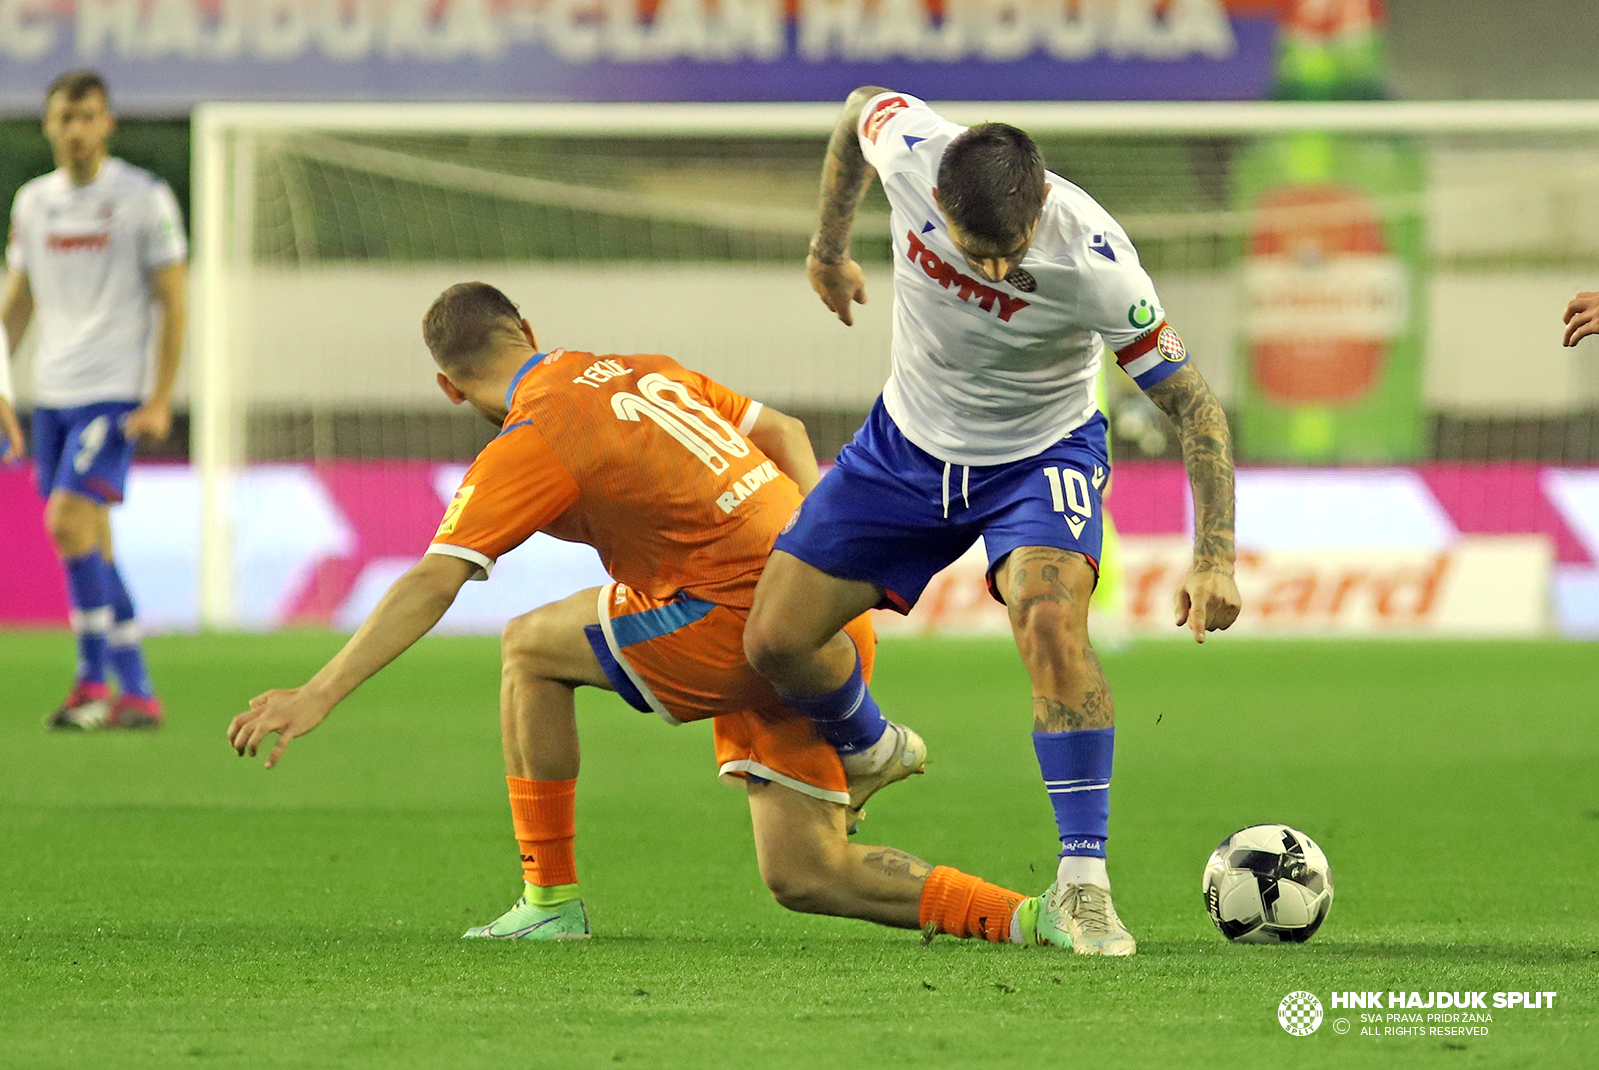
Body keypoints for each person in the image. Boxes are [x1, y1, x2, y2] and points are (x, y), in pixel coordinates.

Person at [227, 282, 1061, 946]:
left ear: (448, 387)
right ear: (526, 325)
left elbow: (435, 581)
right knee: (806, 876)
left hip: (733, 619)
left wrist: (317, 694)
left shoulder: (537, 433)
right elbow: (785, 429)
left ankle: (549, 899)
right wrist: (830, 561)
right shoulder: (638, 368)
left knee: (528, 650)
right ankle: (1029, 917)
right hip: (819, 609)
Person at [741, 89, 1243, 956]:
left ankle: (1085, 887)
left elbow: (1195, 410)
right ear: (935, 199)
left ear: (1041, 201)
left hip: (1039, 457)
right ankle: (870, 746)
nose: (1001, 275)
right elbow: (858, 106)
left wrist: (1215, 557)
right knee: (774, 641)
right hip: (905, 448)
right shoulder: (905, 148)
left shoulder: (1099, 264)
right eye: (981, 257)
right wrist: (827, 248)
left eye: (1013, 257)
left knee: (1049, 620)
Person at [2, 70, 187, 730]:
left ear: (106, 123)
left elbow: (174, 299)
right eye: (64, 118)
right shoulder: (32, 203)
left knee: (64, 522)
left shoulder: (143, 197)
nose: (76, 129)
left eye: (87, 117)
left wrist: (161, 396)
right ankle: (137, 691)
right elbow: (16, 306)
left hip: (112, 394)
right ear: (48, 126)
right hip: (50, 397)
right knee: (92, 540)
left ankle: (89, 680)